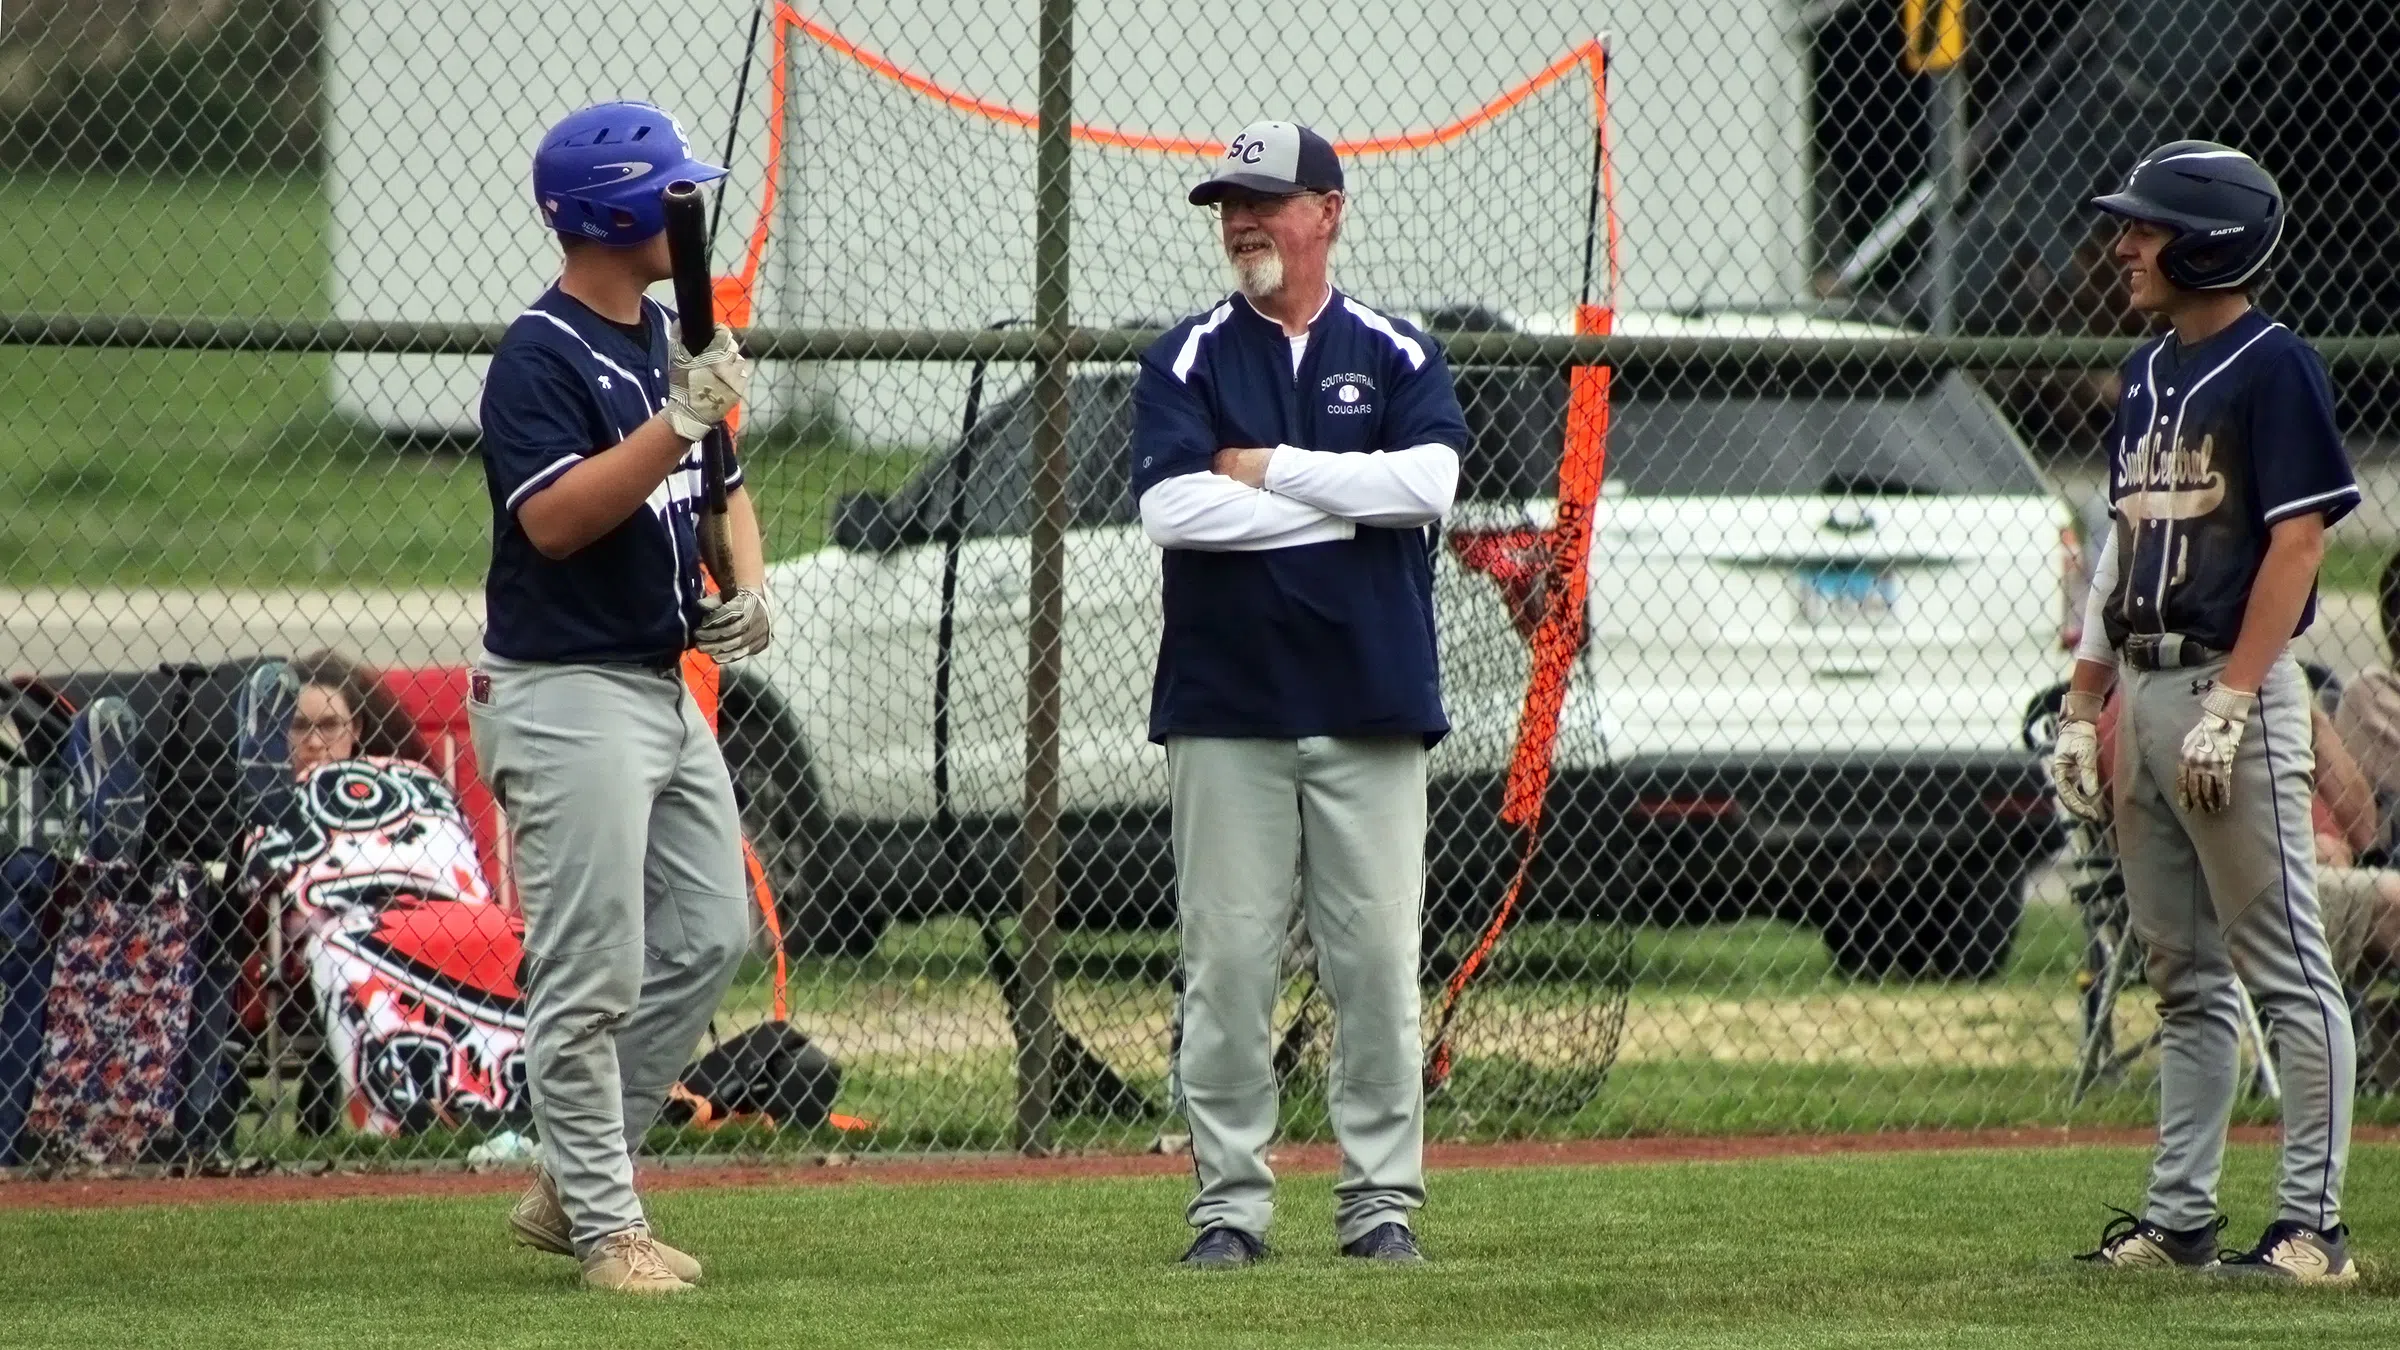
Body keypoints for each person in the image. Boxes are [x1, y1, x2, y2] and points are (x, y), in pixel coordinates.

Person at [1132, 121, 1468, 1269]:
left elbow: (1425, 486)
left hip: (1370, 701)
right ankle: (1228, 1206)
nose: (1240, 221)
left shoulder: (1396, 352)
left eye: (1264, 200)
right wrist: (1344, 504)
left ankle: (1381, 1204)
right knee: (1226, 967)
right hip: (1226, 707)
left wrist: (1267, 468)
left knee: (1376, 965)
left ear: (1328, 210)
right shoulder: (1185, 357)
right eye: (1227, 203)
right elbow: (1173, 511)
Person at [466, 101, 772, 1295]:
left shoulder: (661, 330)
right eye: (668, 194)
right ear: (610, 211)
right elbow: (554, 519)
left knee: (709, 931)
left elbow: (723, 484)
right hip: (562, 691)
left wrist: (746, 585)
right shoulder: (539, 355)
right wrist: (677, 416)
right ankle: (606, 1228)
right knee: (592, 966)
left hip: (657, 682)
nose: (686, 211)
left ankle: (576, 1177)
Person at [2049, 140, 2361, 1283]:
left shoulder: (2276, 366)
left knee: (2281, 965)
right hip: (2142, 680)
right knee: (2181, 971)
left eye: (2145, 226)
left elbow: (2298, 541)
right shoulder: (2144, 372)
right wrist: (2087, 704)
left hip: (2233, 681)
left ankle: (2311, 1230)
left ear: (2208, 239)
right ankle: (2180, 1219)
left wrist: (2235, 701)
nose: (2125, 244)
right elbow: (2124, 547)